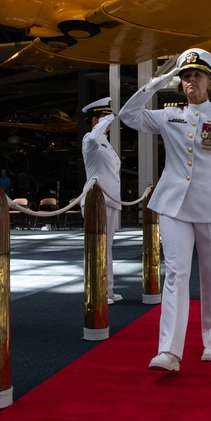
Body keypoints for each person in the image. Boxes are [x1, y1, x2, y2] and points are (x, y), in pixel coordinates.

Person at [119, 49, 211, 372]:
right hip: (174, 206)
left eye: (197, 75)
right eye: (186, 76)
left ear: (210, 82)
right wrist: (153, 83)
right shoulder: (168, 115)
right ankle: (169, 351)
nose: (191, 80)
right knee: (175, 275)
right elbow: (127, 116)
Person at [82, 97, 123, 304]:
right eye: (106, 118)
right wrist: (103, 122)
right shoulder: (91, 139)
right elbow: (92, 140)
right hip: (96, 200)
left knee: (106, 248)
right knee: (98, 247)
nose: (111, 122)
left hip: (110, 200)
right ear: (96, 121)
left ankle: (107, 289)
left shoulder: (105, 142)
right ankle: (98, 290)